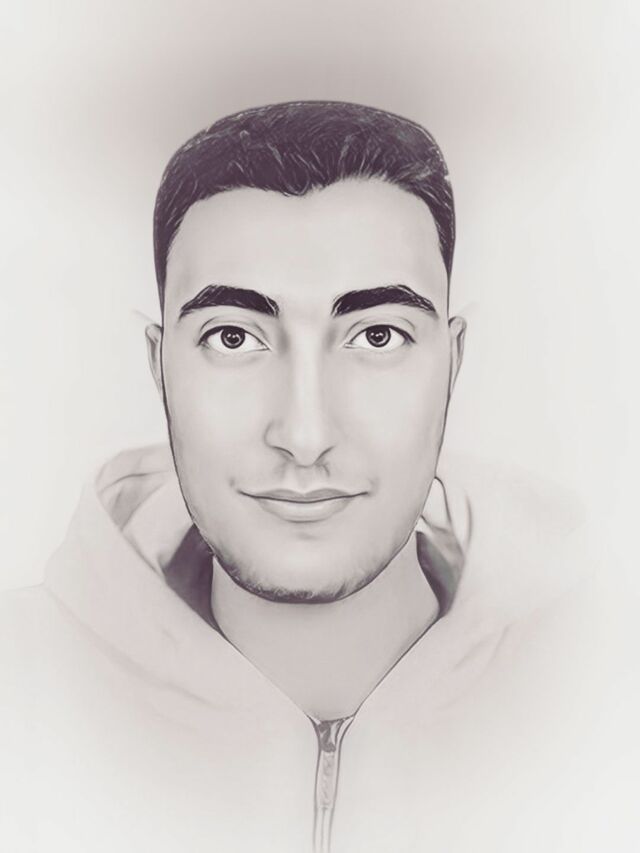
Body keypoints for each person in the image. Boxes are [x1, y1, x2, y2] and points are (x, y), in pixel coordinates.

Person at [1, 101, 637, 853]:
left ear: (453, 363)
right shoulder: (20, 694)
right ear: (158, 365)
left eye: (378, 335)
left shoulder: (612, 690)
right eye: (232, 337)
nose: (305, 437)